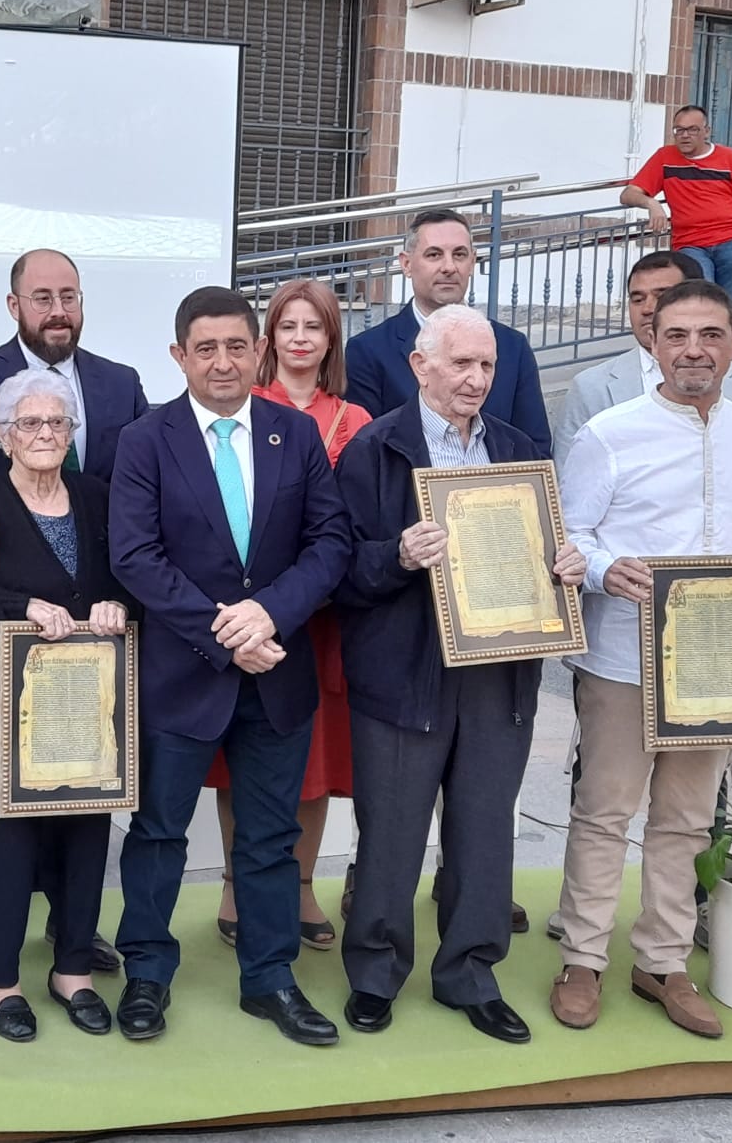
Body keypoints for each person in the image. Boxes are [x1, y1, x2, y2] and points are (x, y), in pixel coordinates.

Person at [551, 280, 732, 1039]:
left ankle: (662, 962)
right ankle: (583, 960)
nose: (693, 350)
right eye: (677, 336)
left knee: (687, 822)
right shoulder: (610, 432)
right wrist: (604, 570)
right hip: (625, 657)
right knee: (603, 813)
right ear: (652, 341)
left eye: (710, 335)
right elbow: (569, 535)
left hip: (719, 663)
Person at [333, 306, 587, 1047]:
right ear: (420, 365)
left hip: (497, 674)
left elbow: (545, 556)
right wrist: (396, 557)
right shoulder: (374, 450)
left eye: (486, 366)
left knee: (483, 832)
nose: (476, 379)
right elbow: (339, 570)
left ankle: (470, 973)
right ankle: (375, 974)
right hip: (402, 672)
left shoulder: (517, 451)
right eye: (460, 364)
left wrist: (564, 567)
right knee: (391, 832)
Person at [109, 287, 352, 1046]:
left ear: (260, 352)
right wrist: (227, 631)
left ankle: (271, 979)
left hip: (277, 674)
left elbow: (331, 544)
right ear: (180, 356)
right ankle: (147, 972)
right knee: (157, 833)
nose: (223, 361)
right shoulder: (145, 439)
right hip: (182, 675)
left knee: (270, 838)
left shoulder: (295, 433)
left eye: (237, 346)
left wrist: (269, 614)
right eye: (205, 348)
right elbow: (135, 557)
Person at [0, 248, 147, 982]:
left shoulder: (120, 384)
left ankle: (71, 932)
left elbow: (139, 509)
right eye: (42, 296)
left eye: (69, 295)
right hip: (5, 651)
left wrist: (126, 602)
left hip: (93, 652)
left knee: (84, 798)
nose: (58, 309)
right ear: (14, 304)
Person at [207, 279, 369, 952]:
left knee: (316, 758)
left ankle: (300, 886)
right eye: (289, 325)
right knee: (234, 758)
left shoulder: (355, 420)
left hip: (321, 619)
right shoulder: (244, 406)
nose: (302, 338)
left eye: (316, 327)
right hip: (242, 616)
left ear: (331, 339)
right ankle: (237, 882)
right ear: (268, 337)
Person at [344, 209, 550, 458]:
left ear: (472, 262)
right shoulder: (368, 351)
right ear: (406, 264)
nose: (449, 267)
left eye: (460, 255)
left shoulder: (511, 347)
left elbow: (535, 451)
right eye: (434, 255)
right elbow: (367, 456)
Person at [553, 249, 732, 460]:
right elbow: (568, 478)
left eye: (662, 296)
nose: (648, 308)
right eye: (637, 299)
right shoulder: (591, 387)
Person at [620, 106, 732, 334]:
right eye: (679, 130)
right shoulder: (665, 158)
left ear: (706, 131)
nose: (684, 135)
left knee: (728, 304)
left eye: (692, 130)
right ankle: (694, 345)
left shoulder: (727, 157)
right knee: (699, 297)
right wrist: (652, 204)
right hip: (690, 243)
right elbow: (628, 194)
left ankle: (729, 354)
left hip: (730, 240)